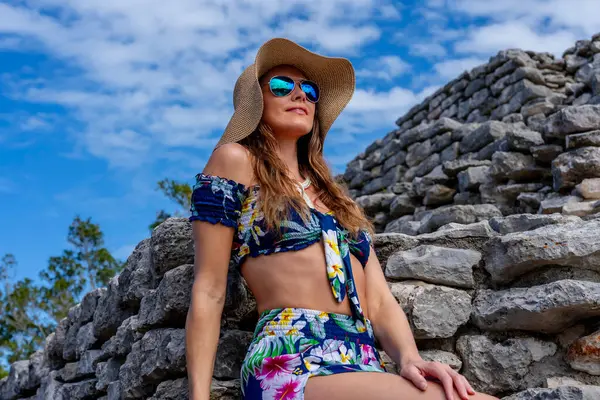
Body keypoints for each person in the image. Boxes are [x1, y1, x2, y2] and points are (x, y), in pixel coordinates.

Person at [185, 37, 498, 400]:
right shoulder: (235, 161)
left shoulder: (337, 199)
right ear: (255, 101)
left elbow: (379, 301)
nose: (300, 95)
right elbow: (209, 288)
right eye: (282, 86)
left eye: (309, 90)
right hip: (291, 359)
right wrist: (199, 396)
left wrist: (409, 357)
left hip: (364, 360)